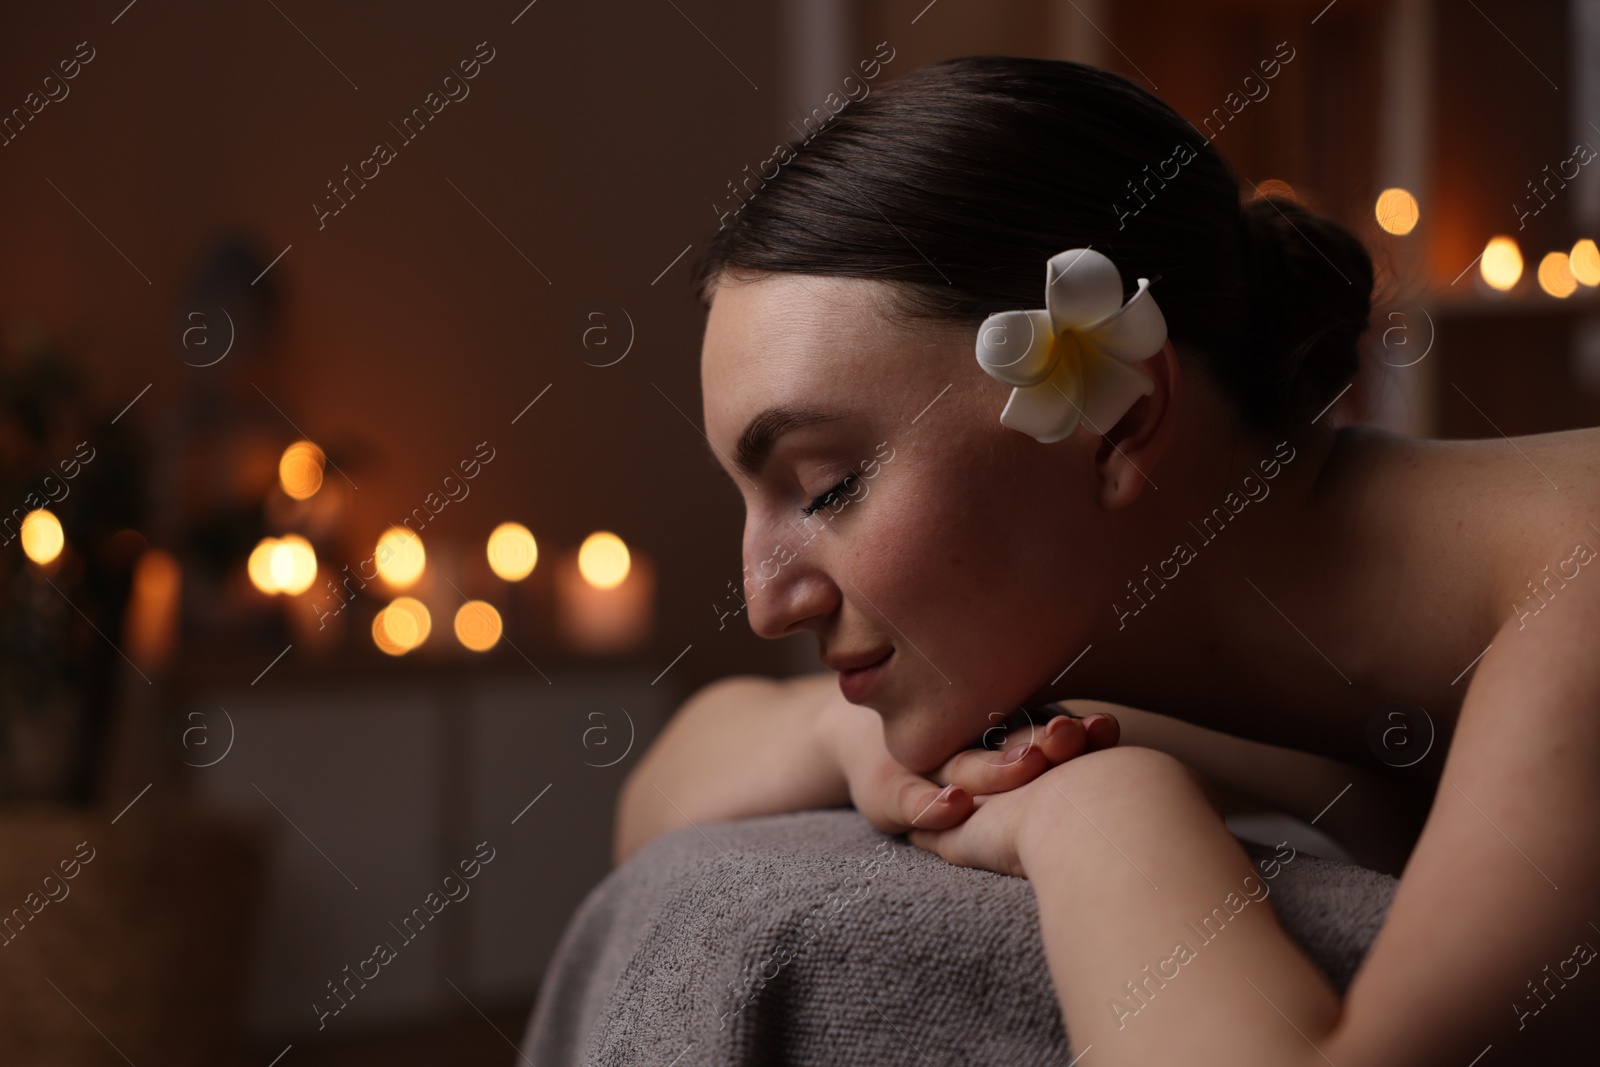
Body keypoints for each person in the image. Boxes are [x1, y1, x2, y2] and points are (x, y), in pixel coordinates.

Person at [617, 56, 1600, 1064]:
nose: (766, 602)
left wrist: (1100, 812)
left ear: (1121, 421)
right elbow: (661, 797)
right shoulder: (1159, 621)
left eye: (825, 485)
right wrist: (844, 736)